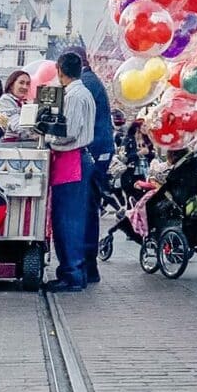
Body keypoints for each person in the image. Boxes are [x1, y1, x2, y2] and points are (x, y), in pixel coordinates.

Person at [46, 51, 96, 294]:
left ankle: (72, 273)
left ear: (60, 70)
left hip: (71, 159)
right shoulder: (81, 92)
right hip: (73, 159)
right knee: (69, 218)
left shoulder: (75, 96)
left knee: (68, 220)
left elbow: (70, 132)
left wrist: (48, 137)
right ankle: (73, 270)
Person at [79, 51, 116, 288]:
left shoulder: (85, 84)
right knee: (90, 207)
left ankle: (86, 265)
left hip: (93, 152)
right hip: (101, 150)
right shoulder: (92, 81)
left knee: (86, 208)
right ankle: (88, 265)